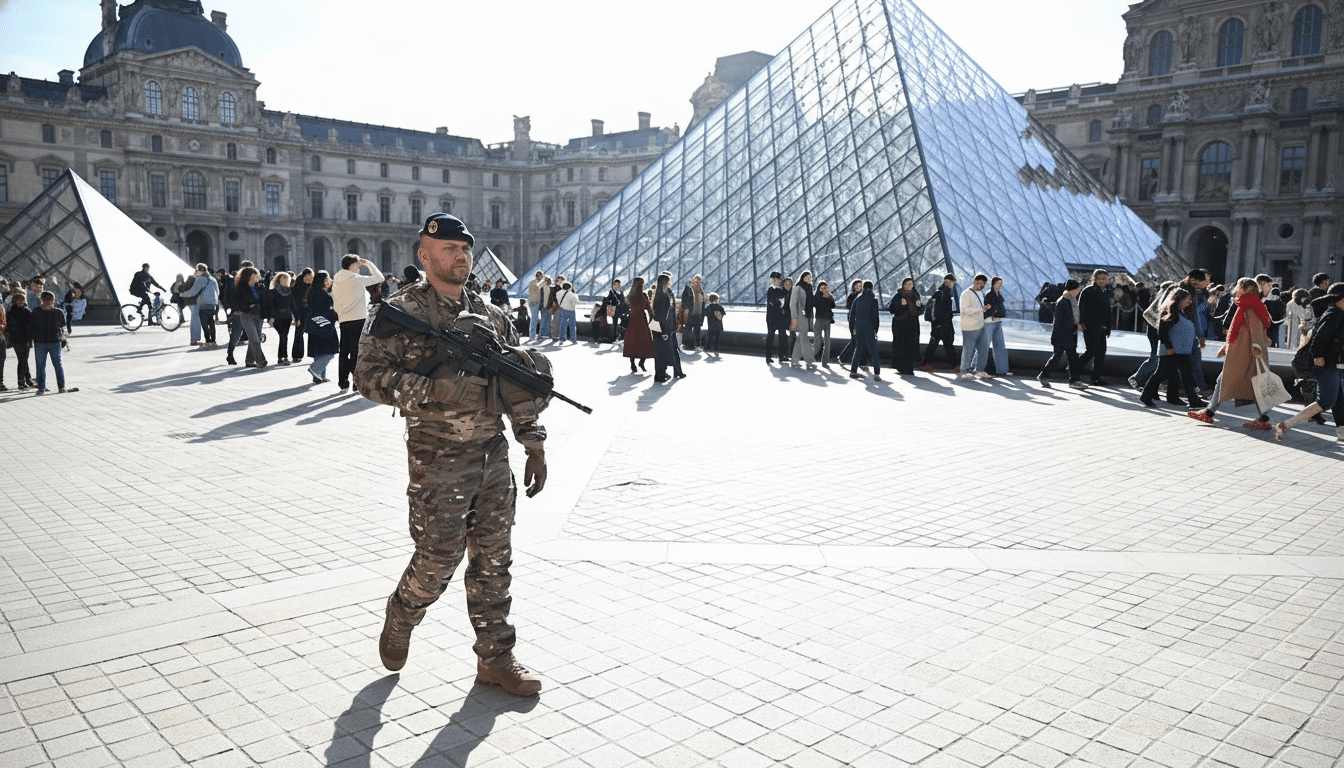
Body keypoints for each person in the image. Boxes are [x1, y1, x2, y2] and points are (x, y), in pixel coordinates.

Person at [355, 213, 547, 696]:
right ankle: (401, 614)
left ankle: (496, 658)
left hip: (492, 456)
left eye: (465, 249)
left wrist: (534, 442)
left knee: (493, 560)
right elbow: (367, 379)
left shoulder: (491, 315)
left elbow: (516, 384)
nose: (460, 256)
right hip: (436, 459)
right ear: (425, 255)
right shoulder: (401, 311)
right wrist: (433, 390)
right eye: (450, 250)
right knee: (439, 558)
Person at [1188, 278, 1273, 429]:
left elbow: (1255, 328)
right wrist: (1229, 345)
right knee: (1236, 381)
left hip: (1246, 353)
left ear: (1246, 289)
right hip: (1242, 351)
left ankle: (1209, 413)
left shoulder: (1249, 305)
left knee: (1244, 383)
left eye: (1238, 286)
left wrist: (1256, 347)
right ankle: (1210, 412)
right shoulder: (1250, 303)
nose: (1235, 289)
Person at [1275, 283, 1344, 442]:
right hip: (1325, 364)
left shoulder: (1338, 313)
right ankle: (1285, 425)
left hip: (1335, 364)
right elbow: (1318, 339)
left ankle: (1342, 433)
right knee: (1325, 402)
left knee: (1340, 401)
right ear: (1340, 299)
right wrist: (1317, 355)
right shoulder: (1334, 314)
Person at [1140, 289, 1205, 409]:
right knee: (1160, 375)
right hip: (1172, 352)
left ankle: (1194, 401)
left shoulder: (1180, 312)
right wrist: (1168, 347)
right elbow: (1162, 332)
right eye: (1187, 299)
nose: (1190, 302)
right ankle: (1146, 395)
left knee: (1187, 377)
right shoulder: (1170, 313)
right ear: (1179, 300)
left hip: (1182, 351)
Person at [333, 255, 385, 393]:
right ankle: (356, 384)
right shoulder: (356, 279)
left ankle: (343, 383)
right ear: (351, 266)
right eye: (358, 265)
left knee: (343, 352)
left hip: (344, 319)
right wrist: (369, 264)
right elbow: (380, 278)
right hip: (358, 319)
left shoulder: (337, 278)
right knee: (356, 352)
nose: (359, 268)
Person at [1038, 279, 1087, 390]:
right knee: (1056, 357)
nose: (1078, 291)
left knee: (1073, 358)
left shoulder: (1071, 300)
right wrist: (1076, 326)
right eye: (1077, 289)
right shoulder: (1063, 302)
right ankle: (1043, 375)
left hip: (1070, 335)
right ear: (1072, 290)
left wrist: (1078, 325)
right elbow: (1063, 321)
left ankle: (1074, 380)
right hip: (1062, 335)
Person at [31, 291, 75, 395]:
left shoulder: (51, 311)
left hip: (50, 342)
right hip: (44, 342)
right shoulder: (40, 311)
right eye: (48, 300)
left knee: (52, 365)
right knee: (44, 365)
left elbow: (61, 326)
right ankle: (47, 387)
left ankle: (56, 387)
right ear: (42, 299)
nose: (50, 302)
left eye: (51, 300)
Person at [1075, 269, 1111, 386]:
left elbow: (1107, 312)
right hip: (1090, 327)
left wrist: (1108, 327)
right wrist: (1080, 322)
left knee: (1101, 353)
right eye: (1101, 278)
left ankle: (1095, 378)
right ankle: (1073, 368)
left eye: (1105, 279)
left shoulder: (1105, 291)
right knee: (1091, 351)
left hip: (1102, 328)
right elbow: (1080, 308)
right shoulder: (1088, 290)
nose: (1103, 281)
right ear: (1094, 278)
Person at [232, 267, 268, 369]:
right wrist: (248, 307)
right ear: (246, 277)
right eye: (252, 277)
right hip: (247, 315)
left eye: (255, 276)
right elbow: (235, 302)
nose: (254, 279)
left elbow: (265, 299)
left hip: (259, 315)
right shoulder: (240, 287)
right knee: (255, 339)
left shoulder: (260, 286)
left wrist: (262, 287)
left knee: (255, 339)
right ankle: (260, 360)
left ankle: (249, 361)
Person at [305, 271, 338, 383]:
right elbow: (327, 311)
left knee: (319, 351)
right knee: (330, 351)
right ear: (323, 281)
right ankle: (315, 369)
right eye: (328, 279)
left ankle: (319, 376)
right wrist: (335, 314)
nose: (330, 280)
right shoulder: (322, 295)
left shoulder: (314, 292)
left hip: (315, 326)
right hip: (324, 326)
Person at [921, 274, 958, 372]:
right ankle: (925, 363)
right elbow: (935, 310)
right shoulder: (940, 293)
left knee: (946, 344)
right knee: (935, 344)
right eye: (947, 282)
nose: (948, 284)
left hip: (944, 324)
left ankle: (955, 365)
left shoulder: (947, 293)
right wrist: (937, 323)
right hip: (939, 325)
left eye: (950, 282)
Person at [652, 273, 685, 382]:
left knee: (671, 350)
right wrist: (663, 331)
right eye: (668, 281)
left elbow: (670, 312)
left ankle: (676, 371)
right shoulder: (660, 295)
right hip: (662, 329)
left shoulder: (668, 293)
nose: (669, 283)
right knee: (662, 352)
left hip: (668, 328)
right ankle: (660, 374)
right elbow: (660, 315)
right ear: (664, 282)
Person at [957, 273, 991, 381]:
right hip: (969, 327)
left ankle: (979, 370)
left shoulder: (981, 293)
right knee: (968, 349)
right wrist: (980, 309)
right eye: (978, 283)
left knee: (983, 348)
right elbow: (964, 310)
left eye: (982, 284)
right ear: (974, 281)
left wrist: (985, 308)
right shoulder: (966, 293)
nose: (980, 285)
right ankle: (964, 371)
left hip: (980, 325)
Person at [849, 280, 881, 381]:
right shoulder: (873, 299)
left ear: (863, 287)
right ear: (872, 288)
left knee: (858, 349)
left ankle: (853, 371)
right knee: (873, 350)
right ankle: (876, 373)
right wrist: (876, 329)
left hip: (858, 326)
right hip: (869, 327)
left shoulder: (857, 298)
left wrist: (852, 327)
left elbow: (852, 314)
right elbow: (875, 316)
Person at [889, 277, 921, 376]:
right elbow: (892, 310)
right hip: (901, 324)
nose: (909, 286)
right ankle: (903, 367)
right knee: (902, 345)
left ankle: (906, 367)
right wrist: (901, 305)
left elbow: (919, 311)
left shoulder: (915, 295)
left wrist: (920, 306)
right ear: (903, 285)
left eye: (911, 284)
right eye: (907, 284)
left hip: (912, 324)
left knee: (910, 345)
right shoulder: (898, 296)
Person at [181, 264, 219, 347]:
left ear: (199, 270)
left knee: (204, 323)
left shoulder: (200, 279)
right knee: (211, 322)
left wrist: (183, 294)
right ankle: (213, 340)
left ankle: (208, 341)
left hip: (203, 304)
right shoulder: (213, 279)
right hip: (212, 304)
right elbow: (217, 292)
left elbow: (193, 292)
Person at [624, 276, 654, 373]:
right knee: (645, 342)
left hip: (632, 321)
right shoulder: (644, 296)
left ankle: (633, 364)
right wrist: (651, 319)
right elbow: (649, 309)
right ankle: (642, 361)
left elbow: (624, 307)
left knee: (633, 342)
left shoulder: (630, 296)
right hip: (642, 320)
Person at [789, 271, 816, 370]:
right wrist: (794, 318)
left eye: (810, 278)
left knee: (801, 338)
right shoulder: (797, 287)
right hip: (799, 317)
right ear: (802, 277)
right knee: (804, 337)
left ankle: (795, 359)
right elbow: (792, 304)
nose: (809, 280)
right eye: (807, 278)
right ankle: (809, 361)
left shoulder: (809, 289)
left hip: (806, 316)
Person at [983, 277, 1009, 376]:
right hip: (990, 322)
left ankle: (1002, 370)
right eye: (997, 283)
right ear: (993, 283)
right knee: (984, 345)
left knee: (1000, 346)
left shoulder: (999, 295)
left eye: (1000, 283)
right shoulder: (989, 295)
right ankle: (975, 367)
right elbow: (987, 308)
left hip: (998, 321)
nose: (999, 285)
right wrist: (991, 314)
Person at [7, 293, 33, 390]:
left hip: (19, 339)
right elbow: (31, 326)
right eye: (19, 300)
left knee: (23, 360)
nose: (21, 302)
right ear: (15, 301)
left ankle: (27, 379)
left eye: (22, 299)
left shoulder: (11, 311)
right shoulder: (25, 311)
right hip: (21, 339)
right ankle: (21, 381)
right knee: (23, 360)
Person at [269, 272, 294, 365]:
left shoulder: (289, 292)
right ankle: (284, 357)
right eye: (283, 279)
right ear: (278, 280)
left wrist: (297, 318)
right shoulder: (273, 292)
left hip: (287, 317)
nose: (285, 281)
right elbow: (270, 306)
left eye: (287, 279)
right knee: (283, 335)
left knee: (284, 336)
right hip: (277, 317)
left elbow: (293, 306)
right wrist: (271, 317)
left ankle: (281, 357)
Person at [764, 271, 788, 363]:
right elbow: (773, 302)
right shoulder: (771, 290)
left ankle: (782, 355)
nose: (775, 281)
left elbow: (780, 302)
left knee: (783, 336)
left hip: (780, 317)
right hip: (772, 317)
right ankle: (768, 356)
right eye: (773, 279)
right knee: (771, 336)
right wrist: (779, 302)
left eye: (776, 279)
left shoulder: (782, 290)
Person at [291, 268, 314, 360]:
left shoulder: (313, 285)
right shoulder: (296, 286)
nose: (309, 280)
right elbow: (293, 302)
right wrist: (295, 317)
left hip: (311, 312)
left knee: (314, 333)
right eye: (307, 278)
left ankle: (315, 353)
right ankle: (297, 355)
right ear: (303, 276)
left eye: (311, 278)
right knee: (299, 333)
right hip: (300, 312)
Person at [812, 282, 835, 366]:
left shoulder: (829, 296)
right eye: (821, 288)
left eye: (825, 287)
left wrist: (829, 297)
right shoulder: (816, 296)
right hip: (818, 320)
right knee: (817, 341)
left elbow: (833, 305)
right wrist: (822, 297)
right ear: (818, 289)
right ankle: (811, 359)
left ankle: (825, 362)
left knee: (827, 341)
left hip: (827, 321)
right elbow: (815, 304)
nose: (823, 289)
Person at [681, 275, 706, 350]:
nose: (698, 283)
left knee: (697, 329)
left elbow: (702, 303)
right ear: (693, 280)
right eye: (696, 281)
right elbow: (684, 300)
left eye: (699, 281)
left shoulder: (701, 291)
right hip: (690, 313)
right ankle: (685, 344)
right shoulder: (688, 289)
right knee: (688, 328)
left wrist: (702, 315)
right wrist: (685, 309)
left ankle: (697, 344)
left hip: (698, 313)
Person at [601, 279, 628, 344]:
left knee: (619, 323)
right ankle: (615, 337)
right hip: (615, 310)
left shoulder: (620, 292)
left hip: (620, 310)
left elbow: (623, 301)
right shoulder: (612, 292)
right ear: (613, 285)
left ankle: (619, 336)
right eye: (615, 284)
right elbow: (608, 300)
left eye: (618, 285)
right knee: (615, 324)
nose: (617, 286)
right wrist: (613, 303)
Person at [527, 271, 546, 340]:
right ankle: (532, 336)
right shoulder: (533, 283)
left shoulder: (543, 283)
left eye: (540, 275)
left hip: (541, 302)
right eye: (538, 275)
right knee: (534, 319)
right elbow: (537, 288)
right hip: (534, 302)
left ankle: (540, 334)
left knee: (542, 319)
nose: (539, 277)